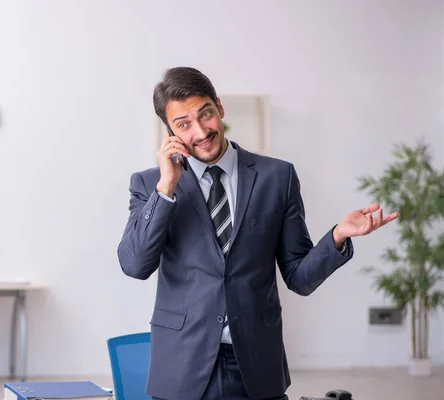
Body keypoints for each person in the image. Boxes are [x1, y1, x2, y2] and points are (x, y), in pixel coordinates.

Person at [116, 67, 399, 400]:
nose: (201, 131)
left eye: (205, 114)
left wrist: (336, 236)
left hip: (256, 365)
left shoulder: (276, 177)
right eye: (183, 124)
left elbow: (298, 276)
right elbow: (134, 265)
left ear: (219, 108)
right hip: (181, 366)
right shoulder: (151, 184)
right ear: (171, 132)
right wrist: (167, 188)